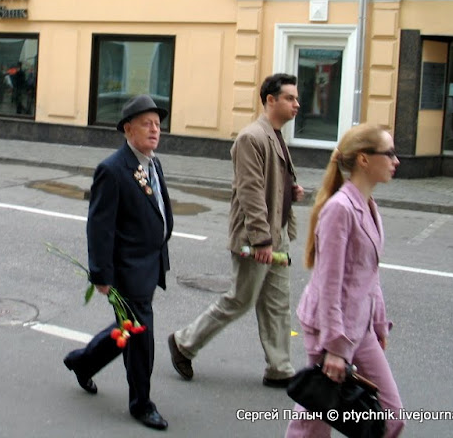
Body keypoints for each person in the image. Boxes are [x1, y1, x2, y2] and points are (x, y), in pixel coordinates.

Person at [168, 73, 303, 387]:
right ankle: (184, 343)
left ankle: (279, 368)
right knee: (240, 299)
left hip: (277, 232)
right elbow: (250, 192)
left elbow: (270, 183)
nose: (297, 104)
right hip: (258, 237)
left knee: (277, 302)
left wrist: (290, 190)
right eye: (290, 98)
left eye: (296, 98)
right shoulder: (251, 137)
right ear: (271, 100)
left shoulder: (276, 134)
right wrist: (262, 240)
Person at [285, 124, 405, 437]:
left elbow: (369, 274)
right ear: (364, 159)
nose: (396, 160)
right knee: (312, 425)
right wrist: (335, 348)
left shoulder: (368, 205)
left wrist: (378, 324)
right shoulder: (339, 209)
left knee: (391, 418)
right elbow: (328, 283)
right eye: (389, 153)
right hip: (332, 331)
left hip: (360, 329)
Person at [63, 94, 173, 431]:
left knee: (127, 329)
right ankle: (141, 403)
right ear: (128, 129)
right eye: (146, 124)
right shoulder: (112, 169)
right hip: (127, 271)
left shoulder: (152, 163)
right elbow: (99, 227)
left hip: (149, 264)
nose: (155, 130)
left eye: (157, 124)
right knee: (141, 336)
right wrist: (101, 274)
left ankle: (83, 362)